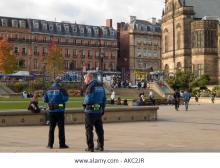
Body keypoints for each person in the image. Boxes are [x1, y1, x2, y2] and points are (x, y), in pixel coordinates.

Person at [83, 73, 106, 152]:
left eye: (85, 79)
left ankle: (90, 147)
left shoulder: (90, 86)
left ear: (89, 78)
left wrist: (84, 105)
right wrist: (102, 109)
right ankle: (101, 146)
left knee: (89, 129)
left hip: (90, 111)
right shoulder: (100, 86)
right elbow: (104, 99)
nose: (84, 81)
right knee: (99, 129)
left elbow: (88, 99)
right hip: (98, 110)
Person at [44, 77, 69, 149]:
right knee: (61, 128)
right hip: (60, 110)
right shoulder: (61, 89)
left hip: (51, 110)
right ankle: (62, 144)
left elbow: (45, 99)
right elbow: (66, 98)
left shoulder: (48, 89)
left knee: (51, 128)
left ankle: (50, 144)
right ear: (60, 82)